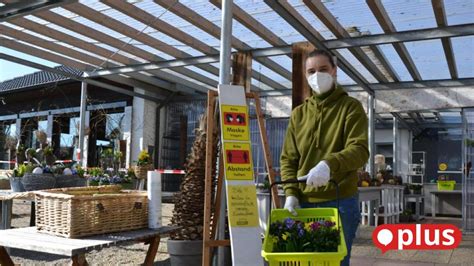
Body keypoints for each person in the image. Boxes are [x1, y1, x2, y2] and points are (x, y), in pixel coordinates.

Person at [280, 49, 369, 266]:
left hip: (340, 202)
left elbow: (359, 150)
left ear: (334, 71)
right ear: (306, 75)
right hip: (304, 202)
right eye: (311, 71)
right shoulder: (299, 114)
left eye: (323, 69)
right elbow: (288, 158)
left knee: (335, 262)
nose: (317, 75)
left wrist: (329, 165)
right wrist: (291, 193)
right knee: (305, 261)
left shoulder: (350, 107)